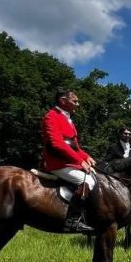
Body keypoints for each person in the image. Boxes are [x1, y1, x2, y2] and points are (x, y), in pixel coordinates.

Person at [41, 89, 96, 234]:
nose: (77, 104)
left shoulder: (69, 119)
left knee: (96, 176)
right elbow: (57, 144)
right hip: (57, 162)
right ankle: (72, 221)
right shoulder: (51, 116)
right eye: (74, 101)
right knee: (87, 182)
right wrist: (80, 161)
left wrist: (86, 157)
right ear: (62, 100)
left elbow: (75, 147)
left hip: (70, 162)